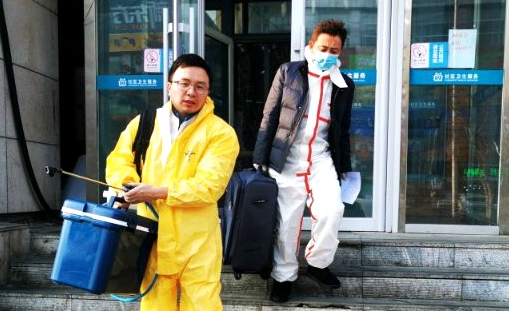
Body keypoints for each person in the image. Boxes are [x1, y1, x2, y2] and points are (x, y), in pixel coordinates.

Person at [106, 54, 240, 311]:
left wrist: (157, 192)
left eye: (200, 86)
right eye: (184, 83)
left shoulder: (220, 133)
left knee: (203, 306)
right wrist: (127, 188)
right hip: (152, 236)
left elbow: (209, 187)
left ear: (208, 92)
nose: (191, 92)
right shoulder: (145, 122)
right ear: (169, 86)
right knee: (155, 305)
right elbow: (119, 161)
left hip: (198, 242)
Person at [253, 19, 354, 303]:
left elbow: (343, 128)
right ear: (311, 45)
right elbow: (270, 115)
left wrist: (344, 168)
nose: (328, 54)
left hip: (321, 157)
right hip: (287, 156)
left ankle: (318, 263)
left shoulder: (344, 84)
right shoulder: (289, 72)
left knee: (332, 209)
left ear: (340, 53)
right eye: (323, 48)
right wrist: (260, 158)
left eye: (334, 51)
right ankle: (283, 277)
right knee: (287, 223)